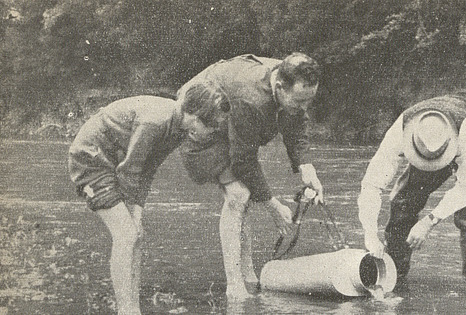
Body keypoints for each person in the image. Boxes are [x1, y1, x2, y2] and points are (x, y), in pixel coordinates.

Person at [177, 53, 324, 300]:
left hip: (227, 116)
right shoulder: (251, 100)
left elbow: (297, 123)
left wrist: (306, 167)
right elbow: (243, 161)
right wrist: (273, 205)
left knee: (244, 195)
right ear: (279, 87)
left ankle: (249, 275)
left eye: (309, 100)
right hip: (198, 119)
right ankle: (235, 285)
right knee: (238, 195)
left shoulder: (290, 81)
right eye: (299, 101)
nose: (304, 108)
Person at [68, 95, 217, 314]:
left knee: (136, 233)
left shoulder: (180, 129)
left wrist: (137, 212)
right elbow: (130, 168)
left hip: (114, 160)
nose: (214, 133)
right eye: (213, 127)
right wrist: (131, 214)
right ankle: (125, 310)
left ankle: (133, 308)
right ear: (198, 119)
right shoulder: (156, 121)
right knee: (127, 234)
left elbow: (148, 168)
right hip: (91, 158)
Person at [357, 95, 466, 293]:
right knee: (403, 201)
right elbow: (371, 185)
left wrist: (429, 221)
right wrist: (370, 235)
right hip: (432, 142)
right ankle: (394, 275)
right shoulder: (401, 130)